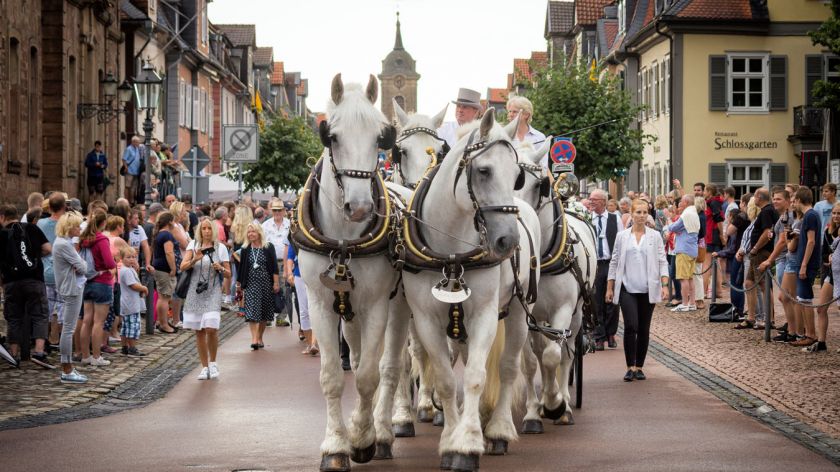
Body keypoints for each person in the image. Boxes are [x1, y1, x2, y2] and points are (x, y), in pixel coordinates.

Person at [606, 200, 669, 382]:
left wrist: (664, 285)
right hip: (627, 287)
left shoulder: (655, 236)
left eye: (644, 212)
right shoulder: (622, 236)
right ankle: (629, 366)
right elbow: (615, 262)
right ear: (631, 214)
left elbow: (662, 260)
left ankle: (639, 366)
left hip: (648, 288)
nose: (642, 215)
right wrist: (610, 287)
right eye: (638, 212)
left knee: (643, 328)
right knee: (631, 326)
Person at [0, 205, 54, 368]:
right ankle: (39, 352)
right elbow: (47, 249)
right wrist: (34, 256)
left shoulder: (1, 235)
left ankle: (14, 355)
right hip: (34, 279)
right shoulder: (32, 228)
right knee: (39, 314)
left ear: (2, 217)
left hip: (11, 281)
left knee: (14, 318)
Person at [180, 218, 231, 379]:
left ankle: (213, 363)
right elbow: (183, 266)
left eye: (209, 228)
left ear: (213, 230)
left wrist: (221, 268)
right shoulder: (193, 246)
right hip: (196, 290)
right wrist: (196, 258)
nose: (207, 231)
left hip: (213, 290)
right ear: (200, 231)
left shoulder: (220, 247)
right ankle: (204, 367)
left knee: (211, 327)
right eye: (204, 229)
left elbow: (229, 273)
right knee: (199, 331)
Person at [52, 212, 88, 382]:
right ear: (68, 227)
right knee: (68, 328)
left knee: (68, 327)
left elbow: (80, 265)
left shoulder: (63, 243)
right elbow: (83, 267)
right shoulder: (64, 245)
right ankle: (66, 368)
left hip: (72, 286)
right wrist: (80, 264)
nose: (79, 228)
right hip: (72, 288)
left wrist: (79, 264)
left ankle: (68, 367)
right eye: (76, 225)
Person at [735, 189, 778, 329]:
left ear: (759, 197)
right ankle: (752, 317)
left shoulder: (766, 211)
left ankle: (769, 319)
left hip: (761, 252)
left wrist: (755, 248)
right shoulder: (765, 211)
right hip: (756, 253)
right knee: (748, 282)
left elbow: (767, 233)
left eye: (755, 197)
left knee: (764, 286)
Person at [78, 210, 115, 366]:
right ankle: (96, 357)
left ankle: (85, 355)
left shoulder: (84, 239)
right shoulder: (101, 240)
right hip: (102, 281)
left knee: (86, 321)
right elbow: (109, 263)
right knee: (98, 322)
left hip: (87, 281)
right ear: (103, 223)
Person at [236, 223, 280, 350]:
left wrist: (276, 283)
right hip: (250, 283)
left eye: (253, 231)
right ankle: (254, 339)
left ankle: (260, 337)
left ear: (259, 232)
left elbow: (274, 267)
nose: (250, 234)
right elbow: (242, 268)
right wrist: (239, 284)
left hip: (266, 283)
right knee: (252, 310)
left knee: (264, 312)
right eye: (249, 232)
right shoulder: (245, 248)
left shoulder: (268, 246)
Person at [788, 187, 821, 348]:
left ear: (800, 200)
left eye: (795, 200)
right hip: (805, 262)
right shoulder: (810, 215)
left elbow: (811, 241)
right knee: (802, 299)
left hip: (807, 264)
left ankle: (811, 334)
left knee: (806, 299)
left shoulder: (810, 215)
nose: (793, 203)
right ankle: (809, 333)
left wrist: (803, 265)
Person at [589, 189, 619, 350]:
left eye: (594, 199)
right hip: (595, 263)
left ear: (603, 201)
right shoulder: (587, 218)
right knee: (596, 301)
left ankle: (611, 333)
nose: (591, 201)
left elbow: (620, 240)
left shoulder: (615, 218)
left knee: (613, 301)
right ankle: (599, 336)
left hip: (611, 263)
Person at [809, 202, 840, 352]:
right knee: (821, 308)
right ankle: (821, 342)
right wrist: (828, 258)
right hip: (831, 274)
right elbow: (823, 253)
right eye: (834, 213)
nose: (836, 216)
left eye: (839, 214)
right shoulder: (828, 231)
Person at [37, 193, 66, 347]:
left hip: (44, 271)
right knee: (62, 310)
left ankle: (46, 341)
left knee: (45, 310)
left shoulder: (41, 223)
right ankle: (62, 341)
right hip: (62, 273)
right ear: (64, 206)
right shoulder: (66, 224)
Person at [667, 195, 700, 312]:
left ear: (685, 202)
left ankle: (685, 303)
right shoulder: (694, 213)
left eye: (681, 201)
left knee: (683, 278)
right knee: (690, 278)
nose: (680, 202)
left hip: (684, 249)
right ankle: (692, 303)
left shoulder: (686, 214)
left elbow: (674, 227)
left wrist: (669, 221)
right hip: (692, 249)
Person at [262, 199, 291, 326]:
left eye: (280, 210)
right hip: (268, 263)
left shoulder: (290, 225)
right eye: (275, 210)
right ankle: (268, 317)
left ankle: (281, 317)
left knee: (286, 290)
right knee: (268, 289)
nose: (277, 212)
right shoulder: (265, 225)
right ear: (271, 211)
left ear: (284, 211)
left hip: (285, 262)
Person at [286, 242, 317, 356]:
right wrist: (289, 273)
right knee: (304, 311)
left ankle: (314, 344)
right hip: (299, 275)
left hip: (315, 275)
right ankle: (309, 344)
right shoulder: (295, 238)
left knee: (314, 308)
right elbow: (289, 257)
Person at [151, 212, 180, 334]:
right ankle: (163, 324)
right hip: (165, 269)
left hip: (159, 267)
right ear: (169, 222)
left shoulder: (159, 234)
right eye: (173, 221)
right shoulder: (167, 235)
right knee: (164, 297)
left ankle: (162, 321)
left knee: (163, 296)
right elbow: (169, 253)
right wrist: (173, 268)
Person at [118, 246, 147, 357]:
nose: (131, 259)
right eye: (128, 257)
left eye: (134, 257)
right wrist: (144, 288)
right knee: (132, 327)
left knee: (126, 326)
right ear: (122, 258)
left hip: (128, 303)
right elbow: (133, 285)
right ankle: (132, 348)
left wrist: (136, 268)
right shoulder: (126, 271)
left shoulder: (129, 269)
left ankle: (125, 347)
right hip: (131, 304)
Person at [703, 184, 726, 299]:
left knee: (707, 263)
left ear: (709, 192)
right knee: (715, 263)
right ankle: (718, 291)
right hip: (712, 234)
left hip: (712, 235)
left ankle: (704, 290)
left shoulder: (713, 202)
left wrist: (722, 235)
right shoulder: (713, 202)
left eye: (704, 191)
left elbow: (719, 220)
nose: (703, 193)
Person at [123, 136, 143, 205]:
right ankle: (126, 201)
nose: (138, 143)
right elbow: (124, 159)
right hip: (130, 170)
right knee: (127, 186)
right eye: (137, 142)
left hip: (136, 171)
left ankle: (132, 202)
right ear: (133, 142)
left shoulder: (137, 149)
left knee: (133, 187)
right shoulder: (128, 149)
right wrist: (126, 167)